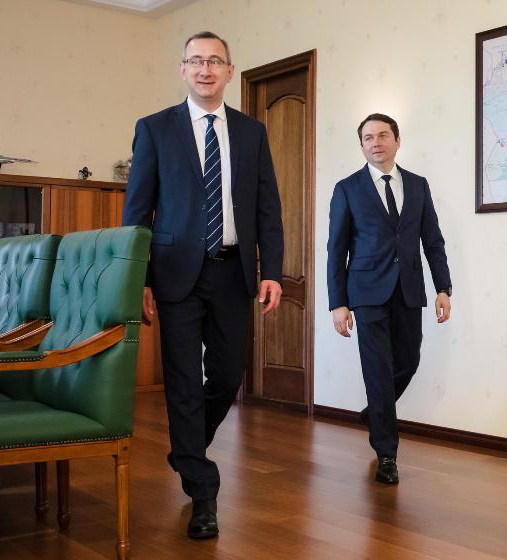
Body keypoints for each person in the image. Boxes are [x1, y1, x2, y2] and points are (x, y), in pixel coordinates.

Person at [123, 31, 284, 539]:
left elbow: (268, 209)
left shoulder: (252, 132)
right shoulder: (155, 129)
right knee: (182, 381)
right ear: (183, 69)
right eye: (196, 61)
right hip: (175, 273)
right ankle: (202, 489)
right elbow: (137, 211)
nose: (205, 69)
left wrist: (272, 270)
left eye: (215, 61)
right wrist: (138, 278)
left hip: (234, 273)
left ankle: (187, 447)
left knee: (227, 374)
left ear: (230, 71)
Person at [327, 113, 452, 485]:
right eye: (368, 138)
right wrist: (338, 303)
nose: (376, 142)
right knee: (378, 369)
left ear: (398, 141)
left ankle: (375, 412)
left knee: (408, 361)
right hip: (366, 292)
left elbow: (433, 241)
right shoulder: (347, 189)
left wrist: (443, 288)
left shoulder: (418, 185)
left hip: (408, 289)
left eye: (383, 135)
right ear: (361, 146)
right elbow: (336, 250)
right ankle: (386, 453)